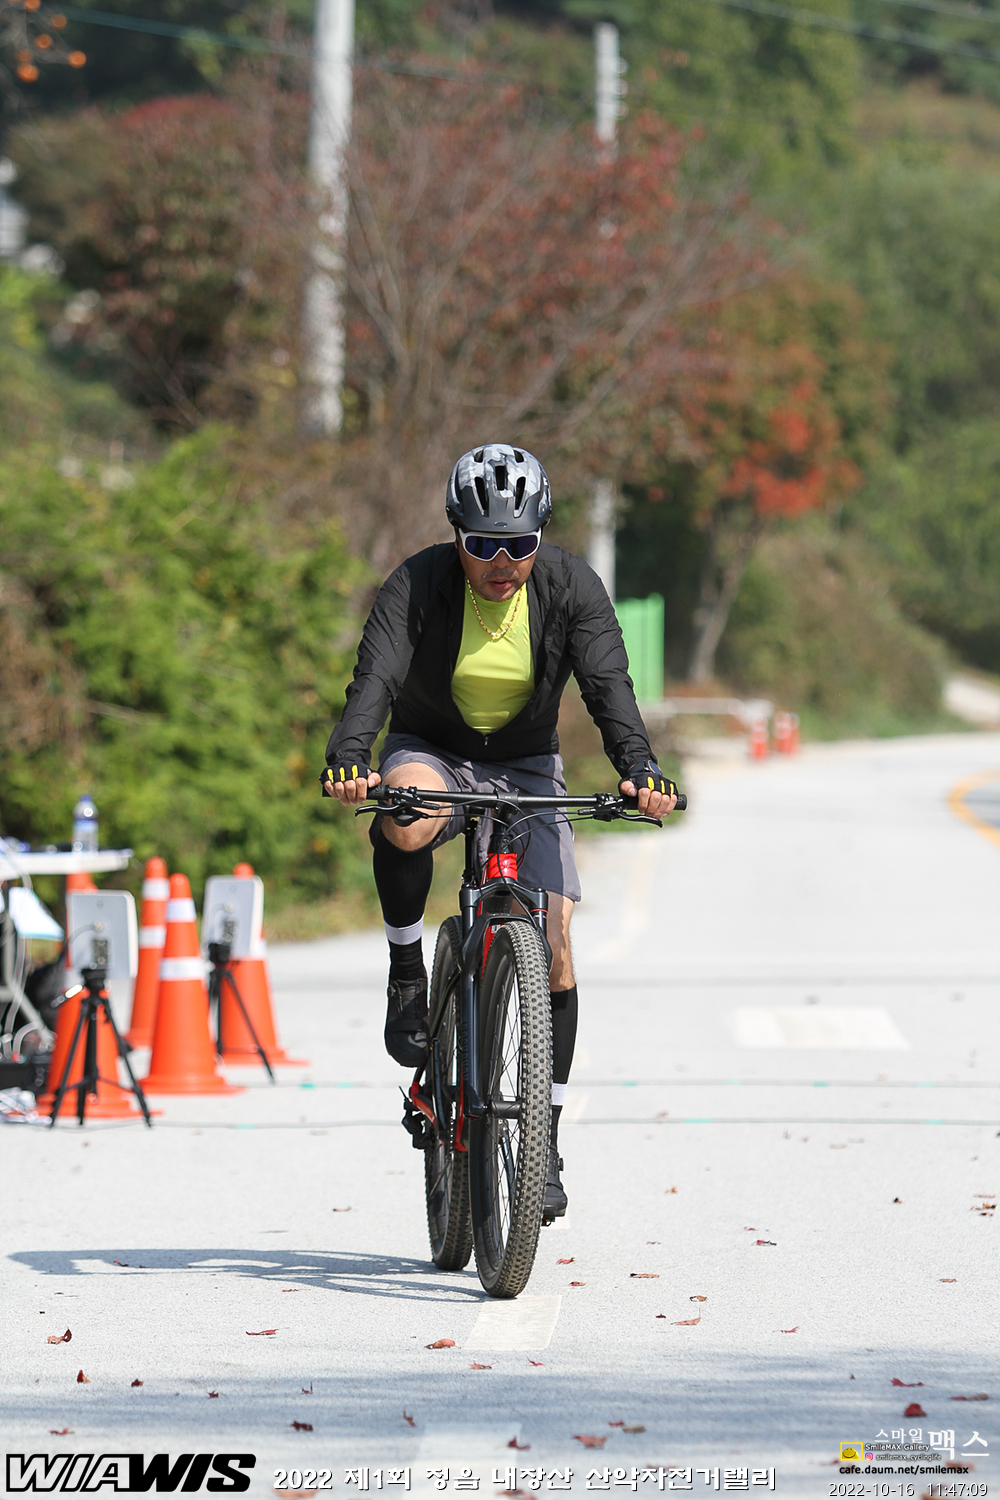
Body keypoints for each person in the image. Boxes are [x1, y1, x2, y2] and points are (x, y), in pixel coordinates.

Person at [321, 443, 678, 1219]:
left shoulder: (571, 586)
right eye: (483, 544)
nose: (501, 563)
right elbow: (376, 676)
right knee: (406, 816)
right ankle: (407, 971)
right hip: (433, 750)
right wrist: (350, 755)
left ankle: (543, 1142)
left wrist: (640, 768)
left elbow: (608, 683)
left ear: (540, 537)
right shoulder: (417, 583)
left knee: (555, 948)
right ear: (457, 534)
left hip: (526, 765)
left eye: (519, 545)